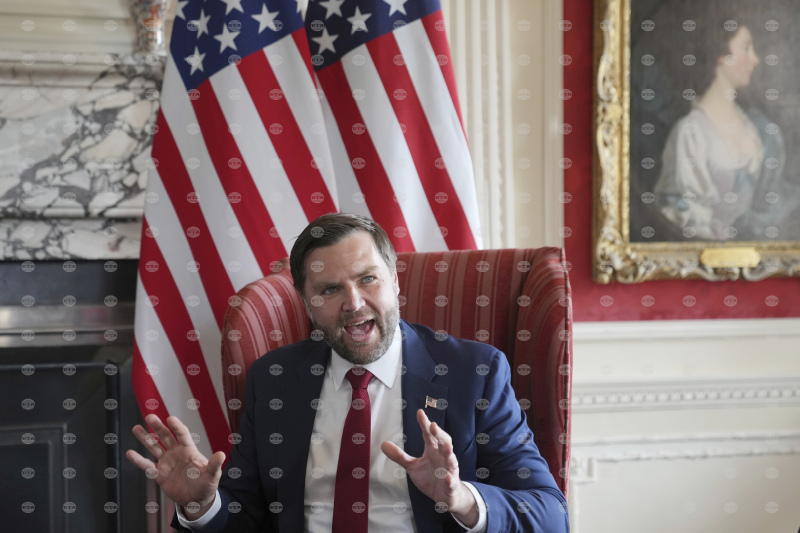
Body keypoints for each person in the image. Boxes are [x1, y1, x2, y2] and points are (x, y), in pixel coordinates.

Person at [127, 213, 569, 532]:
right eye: (330, 289)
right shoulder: (275, 379)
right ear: (307, 304)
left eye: (368, 279)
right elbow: (247, 516)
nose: (354, 303)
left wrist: (461, 498)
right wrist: (202, 505)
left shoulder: (474, 372)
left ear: (395, 281)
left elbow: (550, 515)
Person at [654, 18, 798, 240]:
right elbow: (684, 216)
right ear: (721, 54)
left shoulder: (755, 126)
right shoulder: (691, 132)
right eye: (746, 48)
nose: (755, 59)